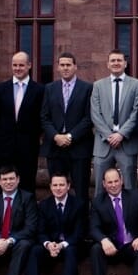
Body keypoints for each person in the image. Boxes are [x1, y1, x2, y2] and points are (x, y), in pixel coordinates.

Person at [18, 173, 86, 275]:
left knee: (71, 250)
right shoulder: (44, 205)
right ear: (50, 187)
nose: (58, 188)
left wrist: (62, 245)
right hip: (51, 246)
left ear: (68, 186)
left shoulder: (79, 204)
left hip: (70, 245)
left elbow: (79, 233)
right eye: (55, 185)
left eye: (61, 185)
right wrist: (48, 244)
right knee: (34, 250)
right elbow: (40, 231)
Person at [41, 52, 93, 201]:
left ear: (75, 67)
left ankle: (81, 224)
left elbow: (89, 118)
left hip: (79, 147)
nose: (65, 68)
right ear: (58, 67)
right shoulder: (49, 88)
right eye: (62, 65)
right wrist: (56, 136)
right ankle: (59, 223)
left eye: (68, 65)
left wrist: (70, 136)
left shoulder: (87, 88)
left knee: (81, 192)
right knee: (57, 191)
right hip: (55, 147)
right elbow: (44, 117)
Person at [0, 51, 45, 193]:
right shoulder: (1, 89)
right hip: (5, 146)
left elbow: (42, 117)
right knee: (4, 182)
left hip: (28, 146)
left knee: (27, 184)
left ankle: (27, 214)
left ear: (29, 66)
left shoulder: (40, 90)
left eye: (21, 65)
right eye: (15, 65)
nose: (18, 68)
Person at [90, 49, 138, 191]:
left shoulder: (136, 84)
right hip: (103, 144)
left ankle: (129, 214)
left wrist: (121, 134)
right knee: (100, 188)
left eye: (119, 60)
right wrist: (108, 135)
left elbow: (137, 112)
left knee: (129, 186)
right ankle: (100, 214)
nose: (116, 63)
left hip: (127, 143)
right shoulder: (98, 85)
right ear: (107, 64)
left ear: (125, 63)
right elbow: (95, 113)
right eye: (113, 60)